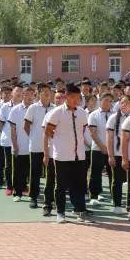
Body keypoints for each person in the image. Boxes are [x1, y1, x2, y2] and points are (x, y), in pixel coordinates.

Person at [44, 83, 90, 223]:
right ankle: (60, 212)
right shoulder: (56, 112)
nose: (76, 100)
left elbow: (83, 130)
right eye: (74, 97)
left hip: (79, 155)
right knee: (61, 185)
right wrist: (59, 143)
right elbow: (48, 131)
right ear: (67, 97)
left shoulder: (82, 113)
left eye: (78, 98)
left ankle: (80, 210)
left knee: (79, 184)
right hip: (62, 156)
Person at [24, 83, 53, 209]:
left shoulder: (55, 108)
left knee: (51, 174)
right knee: (34, 173)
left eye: (48, 91)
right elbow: (26, 126)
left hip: (51, 148)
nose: (46, 93)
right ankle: (33, 197)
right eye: (44, 91)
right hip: (36, 146)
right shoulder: (33, 108)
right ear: (39, 93)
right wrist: (33, 137)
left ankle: (49, 198)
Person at [107, 95, 130, 215]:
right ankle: (117, 204)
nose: (123, 105)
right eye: (121, 102)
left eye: (126, 102)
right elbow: (110, 139)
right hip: (118, 154)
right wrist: (111, 155)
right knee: (117, 180)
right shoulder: (113, 118)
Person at [87, 92, 113, 206]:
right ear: (100, 100)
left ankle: (115, 196)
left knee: (113, 173)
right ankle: (93, 195)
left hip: (112, 150)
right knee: (95, 173)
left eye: (111, 101)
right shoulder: (93, 115)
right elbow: (93, 133)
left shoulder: (115, 115)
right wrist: (102, 147)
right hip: (97, 149)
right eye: (106, 100)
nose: (109, 103)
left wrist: (110, 149)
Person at [8, 86, 32, 202]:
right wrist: (15, 145)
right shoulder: (15, 110)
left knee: (31, 172)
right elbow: (12, 130)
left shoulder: (35, 108)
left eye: (31, 94)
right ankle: (17, 193)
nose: (29, 96)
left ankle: (31, 192)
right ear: (22, 95)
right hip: (20, 146)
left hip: (33, 147)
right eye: (27, 94)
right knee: (18, 171)